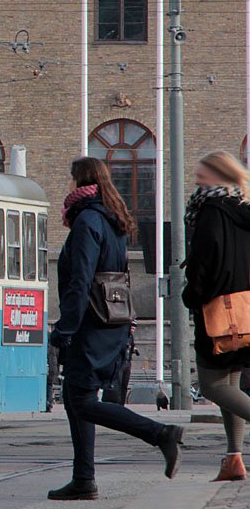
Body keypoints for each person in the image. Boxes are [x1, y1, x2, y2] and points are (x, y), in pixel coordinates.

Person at [48, 157, 183, 501]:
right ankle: (83, 479)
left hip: (90, 324)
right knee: (80, 397)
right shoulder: (113, 218)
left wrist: (65, 329)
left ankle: (159, 433)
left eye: (71, 179)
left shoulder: (87, 221)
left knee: (79, 400)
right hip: (112, 322)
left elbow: (81, 280)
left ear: (80, 181)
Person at [182, 151, 250, 481]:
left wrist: (190, 294)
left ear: (218, 174)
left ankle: (235, 457)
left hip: (217, 312)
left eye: (202, 172)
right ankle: (234, 459)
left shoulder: (211, 210)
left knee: (212, 385)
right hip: (245, 311)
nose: (196, 177)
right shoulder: (243, 210)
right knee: (231, 382)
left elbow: (205, 261)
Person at [102, 321, 140, 405]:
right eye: (131, 328)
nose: (133, 330)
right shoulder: (122, 336)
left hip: (127, 362)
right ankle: (116, 402)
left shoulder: (130, 337)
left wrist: (134, 350)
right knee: (117, 384)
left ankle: (121, 403)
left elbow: (132, 345)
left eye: (134, 328)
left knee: (124, 385)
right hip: (120, 362)